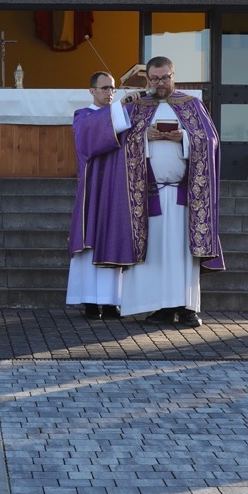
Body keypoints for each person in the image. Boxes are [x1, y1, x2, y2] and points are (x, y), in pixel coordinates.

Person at [116, 56, 224, 328]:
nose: (160, 83)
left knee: (181, 255)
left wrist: (184, 137)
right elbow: (123, 143)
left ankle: (187, 308)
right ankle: (161, 307)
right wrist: (144, 137)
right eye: (154, 79)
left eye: (165, 77)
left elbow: (209, 140)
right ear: (147, 79)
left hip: (183, 197)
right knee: (156, 255)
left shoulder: (191, 104)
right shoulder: (138, 106)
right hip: (148, 196)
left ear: (174, 75)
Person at [67, 71, 130, 320]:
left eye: (112, 88)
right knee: (89, 239)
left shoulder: (119, 114)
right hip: (92, 187)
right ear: (91, 90)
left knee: (112, 237)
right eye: (104, 88)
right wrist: (121, 106)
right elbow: (88, 139)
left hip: (116, 186)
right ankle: (90, 301)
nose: (109, 93)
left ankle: (111, 301)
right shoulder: (82, 116)